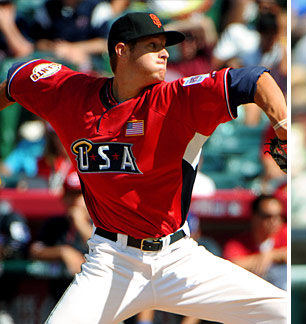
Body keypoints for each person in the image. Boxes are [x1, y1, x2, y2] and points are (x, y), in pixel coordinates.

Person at [0, 11, 287, 324]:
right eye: (152, 45)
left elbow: (255, 79)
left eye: (164, 45)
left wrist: (282, 124)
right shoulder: (71, 94)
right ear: (122, 51)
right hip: (112, 261)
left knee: (282, 312)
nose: (165, 53)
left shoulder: (176, 99)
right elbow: (16, 82)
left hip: (178, 259)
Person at [223, 194, 287, 290]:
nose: (274, 221)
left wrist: (271, 255)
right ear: (255, 217)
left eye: (278, 216)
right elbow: (231, 266)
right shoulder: (239, 242)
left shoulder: (284, 232)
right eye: (267, 216)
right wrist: (260, 258)